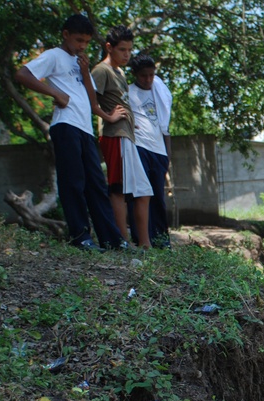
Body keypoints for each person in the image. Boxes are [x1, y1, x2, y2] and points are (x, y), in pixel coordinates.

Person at [13, 14, 125, 251]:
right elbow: (22, 74)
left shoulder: (80, 61)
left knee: (96, 184)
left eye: (85, 41)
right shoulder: (54, 55)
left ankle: (112, 240)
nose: (82, 45)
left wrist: (85, 72)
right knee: (73, 182)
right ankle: (80, 237)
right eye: (78, 40)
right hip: (65, 126)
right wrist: (54, 94)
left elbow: (93, 102)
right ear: (65, 35)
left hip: (85, 129)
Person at [92, 25, 153, 249]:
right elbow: (90, 99)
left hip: (127, 136)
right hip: (113, 136)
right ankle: (122, 242)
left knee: (143, 190)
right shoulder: (102, 70)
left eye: (129, 50)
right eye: (122, 50)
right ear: (109, 47)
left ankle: (145, 244)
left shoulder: (119, 72)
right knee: (118, 190)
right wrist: (108, 117)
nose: (127, 54)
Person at [128, 54, 173, 249]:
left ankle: (161, 240)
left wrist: (167, 157)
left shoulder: (159, 92)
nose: (147, 80)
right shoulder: (128, 93)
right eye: (143, 76)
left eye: (151, 75)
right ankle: (141, 238)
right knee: (140, 195)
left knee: (158, 198)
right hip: (139, 147)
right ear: (135, 74)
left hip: (158, 150)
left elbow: (165, 128)